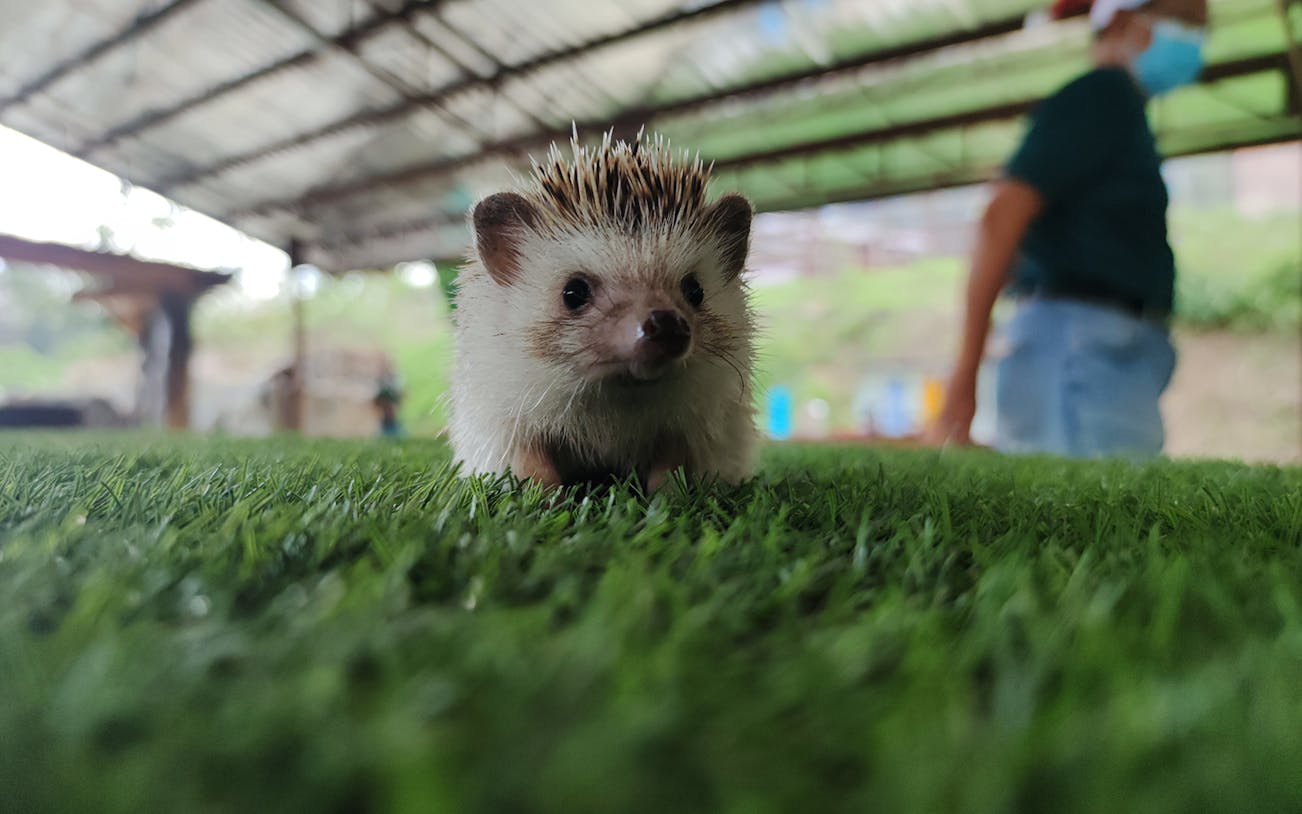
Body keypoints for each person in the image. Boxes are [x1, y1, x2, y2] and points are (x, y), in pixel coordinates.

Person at [927, 0, 1209, 459]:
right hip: (1080, 350)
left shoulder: (1122, 112)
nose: (1200, 40)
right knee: (1090, 515)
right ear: (1123, 21)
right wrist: (965, 373)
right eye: (1187, 21)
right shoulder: (1101, 96)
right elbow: (1002, 218)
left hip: (1098, 352)